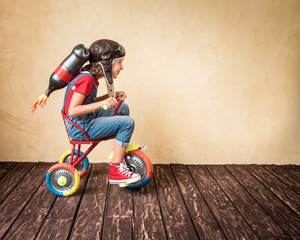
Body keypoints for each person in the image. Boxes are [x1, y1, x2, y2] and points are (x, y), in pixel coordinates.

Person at [62, 39, 141, 184]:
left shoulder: (89, 77)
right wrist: (102, 104)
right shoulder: (86, 79)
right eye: (119, 62)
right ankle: (116, 171)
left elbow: (87, 102)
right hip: (81, 127)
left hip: (84, 120)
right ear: (106, 63)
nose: (122, 67)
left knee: (122, 107)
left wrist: (110, 97)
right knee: (127, 123)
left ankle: (119, 153)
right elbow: (72, 111)